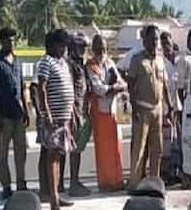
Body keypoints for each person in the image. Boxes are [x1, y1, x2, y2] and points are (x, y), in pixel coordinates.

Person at [127, 25, 173, 191]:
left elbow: (164, 84)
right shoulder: (137, 60)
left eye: (156, 39)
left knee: (157, 149)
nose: (154, 42)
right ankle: (134, 184)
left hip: (158, 109)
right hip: (142, 109)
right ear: (144, 40)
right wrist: (133, 109)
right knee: (139, 148)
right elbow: (130, 85)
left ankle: (155, 183)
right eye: (152, 38)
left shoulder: (160, 60)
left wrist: (170, 106)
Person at [36, 29, 76, 210]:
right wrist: (46, 115)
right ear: (52, 45)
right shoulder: (46, 62)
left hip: (65, 117)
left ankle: (58, 194)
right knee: (52, 156)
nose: (64, 48)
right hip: (54, 118)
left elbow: (69, 89)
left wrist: (72, 114)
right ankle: (52, 198)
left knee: (60, 156)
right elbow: (41, 89)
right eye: (62, 44)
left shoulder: (64, 63)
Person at [0, 27, 29, 200]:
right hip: (4, 114)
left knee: (21, 151)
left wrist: (26, 110)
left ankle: (21, 182)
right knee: (3, 152)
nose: (11, 43)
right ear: (2, 42)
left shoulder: (17, 61)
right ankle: (6, 185)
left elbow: (21, 86)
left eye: (13, 40)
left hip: (18, 112)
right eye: (8, 40)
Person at [86, 34, 127, 192]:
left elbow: (121, 83)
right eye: (98, 48)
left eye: (103, 47)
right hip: (100, 110)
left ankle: (117, 180)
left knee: (116, 146)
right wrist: (112, 88)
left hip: (113, 110)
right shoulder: (91, 66)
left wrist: (114, 87)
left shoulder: (109, 63)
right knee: (104, 150)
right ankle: (105, 182)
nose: (101, 50)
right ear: (93, 49)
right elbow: (99, 89)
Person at [65, 33, 92, 197]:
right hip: (74, 111)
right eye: (80, 47)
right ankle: (73, 183)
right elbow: (70, 91)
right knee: (74, 149)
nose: (83, 50)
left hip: (83, 111)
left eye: (84, 47)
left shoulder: (81, 66)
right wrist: (74, 112)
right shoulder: (70, 66)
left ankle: (76, 180)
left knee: (79, 148)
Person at [160, 31, 182, 185]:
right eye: (164, 44)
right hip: (164, 108)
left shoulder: (179, 61)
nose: (167, 47)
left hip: (177, 107)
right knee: (166, 143)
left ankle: (175, 171)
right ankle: (164, 174)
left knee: (177, 141)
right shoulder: (161, 63)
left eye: (168, 43)